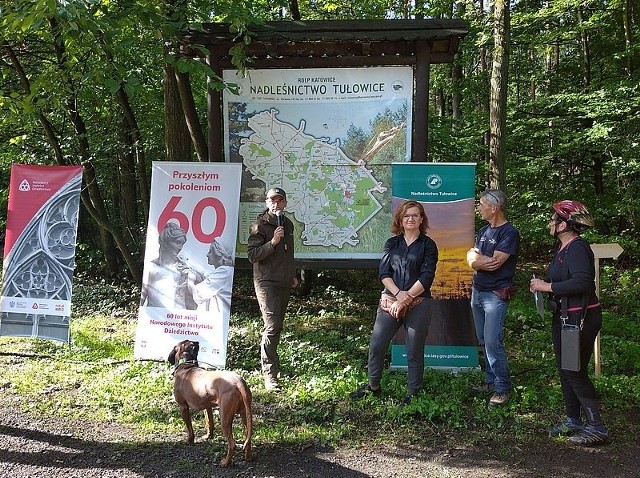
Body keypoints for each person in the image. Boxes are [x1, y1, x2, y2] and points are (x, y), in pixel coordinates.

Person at [529, 200, 609, 445]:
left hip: (579, 318)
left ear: (564, 224)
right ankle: (573, 420)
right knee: (566, 369)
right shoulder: (563, 249)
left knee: (573, 370)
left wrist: (547, 286)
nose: (550, 223)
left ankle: (597, 426)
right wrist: (544, 285)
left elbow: (584, 282)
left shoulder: (577, 248)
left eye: (554, 220)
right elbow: (565, 279)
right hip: (565, 317)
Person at [351, 200, 438, 405]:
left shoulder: (428, 245)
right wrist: (399, 295)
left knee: (414, 350)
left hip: (419, 303)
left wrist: (406, 299)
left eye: (415, 215)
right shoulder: (392, 244)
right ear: (400, 219)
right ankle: (373, 386)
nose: (411, 219)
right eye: (407, 215)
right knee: (377, 345)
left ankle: (413, 394)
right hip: (390, 301)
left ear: (421, 219)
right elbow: (384, 273)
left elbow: (426, 277)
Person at [466, 189, 519, 407]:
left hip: (495, 295)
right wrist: (474, 260)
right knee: (482, 340)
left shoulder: (509, 233)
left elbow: (494, 263)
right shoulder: (484, 231)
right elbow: (472, 257)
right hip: (477, 292)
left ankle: (503, 387)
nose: (478, 208)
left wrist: (474, 260)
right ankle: (490, 380)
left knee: (492, 342)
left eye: (481, 204)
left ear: (494, 208)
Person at [247, 187, 298, 391]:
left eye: (279, 200)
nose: (276, 204)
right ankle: (270, 375)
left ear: (285, 203)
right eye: (272, 200)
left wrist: (292, 274)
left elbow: (288, 253)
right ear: (267, 202)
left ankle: (274, 366)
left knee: (278, 325)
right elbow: (253, 256)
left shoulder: (287, 224)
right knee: (272, 325)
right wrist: (273, 242)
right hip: (266, 281)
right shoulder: (259, 226)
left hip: (283, 280)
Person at [140, 222, 191, 309]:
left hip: (177, 317)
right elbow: (144, 292)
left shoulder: (183, 268)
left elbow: (191, 299)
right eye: (178, 242)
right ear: (166, 242)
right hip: (156, 317)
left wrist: (189, 278)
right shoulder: (152, 266)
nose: (180, 247)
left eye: (182, 244)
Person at [187, 238, 234, 312]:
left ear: (218, 254)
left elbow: (199, 295)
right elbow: (207, 276)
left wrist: (190, 280)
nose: (207, 255)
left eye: (210, 251)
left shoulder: (224, 272)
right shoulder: (226, 271)